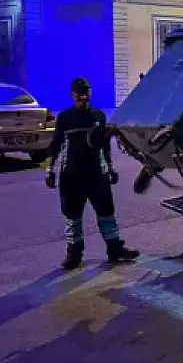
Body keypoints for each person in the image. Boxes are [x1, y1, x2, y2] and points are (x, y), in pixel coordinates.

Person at [45, 77, 139, 270]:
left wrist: (111, 168)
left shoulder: (99, 116)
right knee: (73, 216)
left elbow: (104, 146)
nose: (83, 96)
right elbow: (55, 146)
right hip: (72, 175)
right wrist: (50, 170)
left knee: (106, 212)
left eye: (86, 92)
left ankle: (115, 249)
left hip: (97, 174)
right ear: (72, 95)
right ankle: (74, 254)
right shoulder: (65, 118)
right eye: (79, 93)